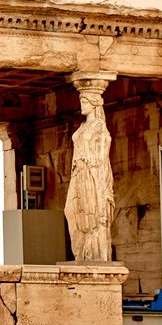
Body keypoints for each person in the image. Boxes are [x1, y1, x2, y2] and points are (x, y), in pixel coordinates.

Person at [64, 93, 114, 261]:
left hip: (92, 174)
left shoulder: (99, 126)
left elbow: (102, 156)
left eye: (85, 102)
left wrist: (99, 183)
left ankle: (95, 256)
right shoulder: (84, 125)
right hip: (78, 173)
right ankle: (82, 254)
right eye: (81, 101)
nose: (82, 105)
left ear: (94, 104)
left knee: (92, 215)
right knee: (70, 211)